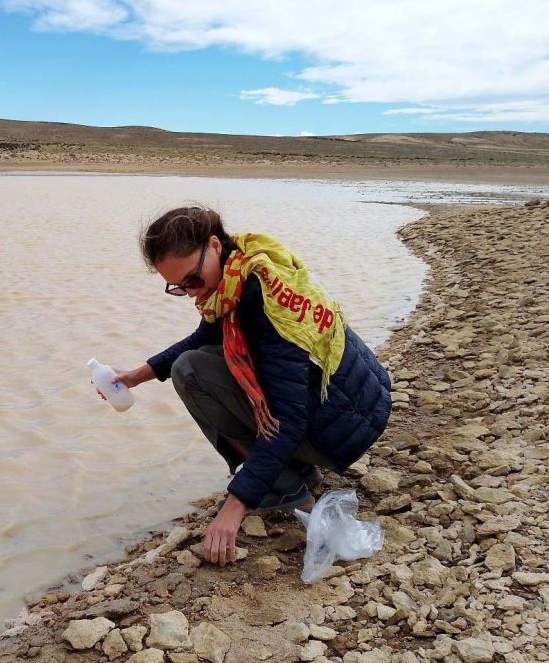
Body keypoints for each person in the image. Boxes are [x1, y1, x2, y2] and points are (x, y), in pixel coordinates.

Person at [108, 206, 392, 566]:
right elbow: (206, 335)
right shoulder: (241, 267)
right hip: (351, 407)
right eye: (178, 287)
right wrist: (137, 375)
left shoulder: (265, 296)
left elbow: (289, 418)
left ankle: (285, 485)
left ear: (213, 244)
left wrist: (236, 503)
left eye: (193, 280)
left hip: (344, 427)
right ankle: (295, 470)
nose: (192, 293)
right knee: (200, 358)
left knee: (190, 373)